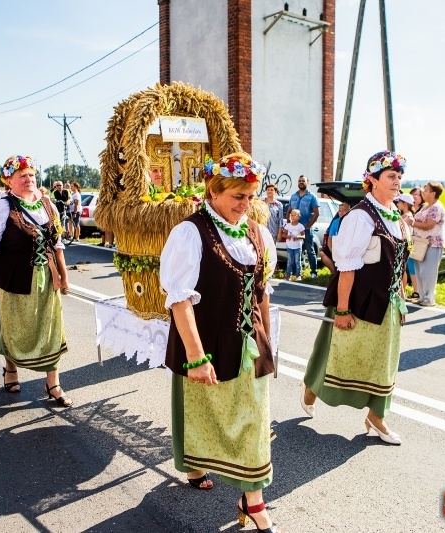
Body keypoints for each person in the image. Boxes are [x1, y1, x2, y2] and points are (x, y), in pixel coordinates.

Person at [160, 152, 279, 532]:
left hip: (249, 345)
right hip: (208, 342)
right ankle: (196, 467)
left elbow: (261, 291)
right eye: (237, 196)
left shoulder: (257, 232)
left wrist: (267, 343)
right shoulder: (190, 233)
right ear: (214, 191)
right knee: (203, 414)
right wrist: (196, 358)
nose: (245, 205)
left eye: (250, 197)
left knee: (254, 421)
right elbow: (180, 299)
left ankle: (253, 500)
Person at [301, 150, 409, 446]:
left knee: (384, 363)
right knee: (337, 356)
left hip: (388, 303)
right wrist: (342, 310)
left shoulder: (396, 216)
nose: (397, 181)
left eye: (399, 176)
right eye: (391, 176)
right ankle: (311, 388)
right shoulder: (361, 217)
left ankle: (376, 416)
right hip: (357, 301)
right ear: (372, 180)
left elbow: (399, 264)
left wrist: (401, 298)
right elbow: (346, 268)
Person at [0, 155, 71, 406]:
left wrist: (64, 276)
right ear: (9, 181)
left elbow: (57, 244)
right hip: (12, 279)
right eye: (22, 176)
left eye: (31, 175)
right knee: (13, 328)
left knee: (52, 329)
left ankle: (53, 383)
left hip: (46, 279)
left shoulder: (47, 205)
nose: (29, 179)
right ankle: (11, 369)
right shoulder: (2, 208)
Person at [412, 182, 445, 307]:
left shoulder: (436, 207)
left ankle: (429, 298)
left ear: (433, 193)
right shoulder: (426, 207)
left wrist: (412, 223)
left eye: (426, 190)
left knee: (428, 272)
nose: (423, 192)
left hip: (433, 244)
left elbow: (428, 225)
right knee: (420, 271)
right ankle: (422, 297)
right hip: (420, 243)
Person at [288, 175, 319, 278]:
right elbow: (289, 210)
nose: (301, 182)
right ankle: (295, 272)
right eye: (299, 181)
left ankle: (314, 272)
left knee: (310, 250)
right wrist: (288, 224)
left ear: (307, 183)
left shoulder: (312, 196)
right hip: (294, 229)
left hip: (306, 229)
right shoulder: (294, 196)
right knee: (294, 249)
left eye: (303, 181)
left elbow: (316, 213)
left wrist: (308, 226)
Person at [319, 202, 351, 271]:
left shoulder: (352, 222)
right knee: (322, 253)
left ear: (349, 211)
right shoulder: (335, 222)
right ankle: (335, 273)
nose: (341, 212)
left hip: (348, 249)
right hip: (336, 248)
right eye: (339, 211)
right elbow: (330, 238)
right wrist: (331, 250)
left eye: (343, 210)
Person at [406, 187, 425, 298]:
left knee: (421, 266)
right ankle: (416, 290)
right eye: (412, 194)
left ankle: (422, 291)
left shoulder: (425, 209)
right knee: (411, 265)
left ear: (422, 197)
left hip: (421, 241)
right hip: (411, 241)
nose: (414, 197)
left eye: (417, 195)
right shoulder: (408, 209)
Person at [280, 208, 305, 281]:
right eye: (291, 215)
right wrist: (287, 236)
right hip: (289, 246)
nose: (292, 217)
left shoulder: (300, 226)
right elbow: (283, 235)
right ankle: (288, 275)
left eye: (294, 215)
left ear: (298, 216)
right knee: (289, 261)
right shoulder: (288, 226)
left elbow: (304, 236)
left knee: (297, 261)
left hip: (297, 247)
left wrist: (298, 237)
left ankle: (298, 275)